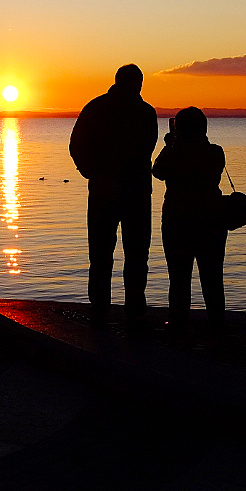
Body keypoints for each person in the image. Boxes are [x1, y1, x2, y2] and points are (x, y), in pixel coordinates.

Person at [68, 64, 159, 311]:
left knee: (101, 256)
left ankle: (100, 311)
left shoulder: (96, 107)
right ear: (137, 83)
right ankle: (134, 310)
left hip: (107, 191)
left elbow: (76, 145)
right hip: (134, 192)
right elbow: (146, 150)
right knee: (136, 256)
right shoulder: (145, 112)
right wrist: (96, 175)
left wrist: (94, 174)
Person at [151, 106, 227, 323]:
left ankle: (178, 322)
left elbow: (157, 171)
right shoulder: (215, 152)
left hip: (178, 219)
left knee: (178, 277)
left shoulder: (175, 152)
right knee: (212, 277)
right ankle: (216, 323)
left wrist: (170, 144)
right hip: (211, 219)